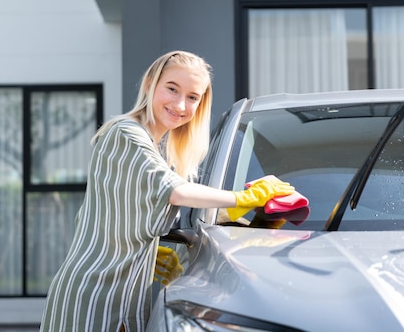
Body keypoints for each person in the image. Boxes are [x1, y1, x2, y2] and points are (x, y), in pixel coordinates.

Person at [39, 50, 297, 332]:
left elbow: (120, 212)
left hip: (125, 296)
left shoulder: (159, 148)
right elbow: (176, 191)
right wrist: (244, 198)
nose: (180, 104)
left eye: (192, 97)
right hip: (93, 295)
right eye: (172, 89)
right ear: (150, 84)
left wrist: (144, 251)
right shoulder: (126, 133)